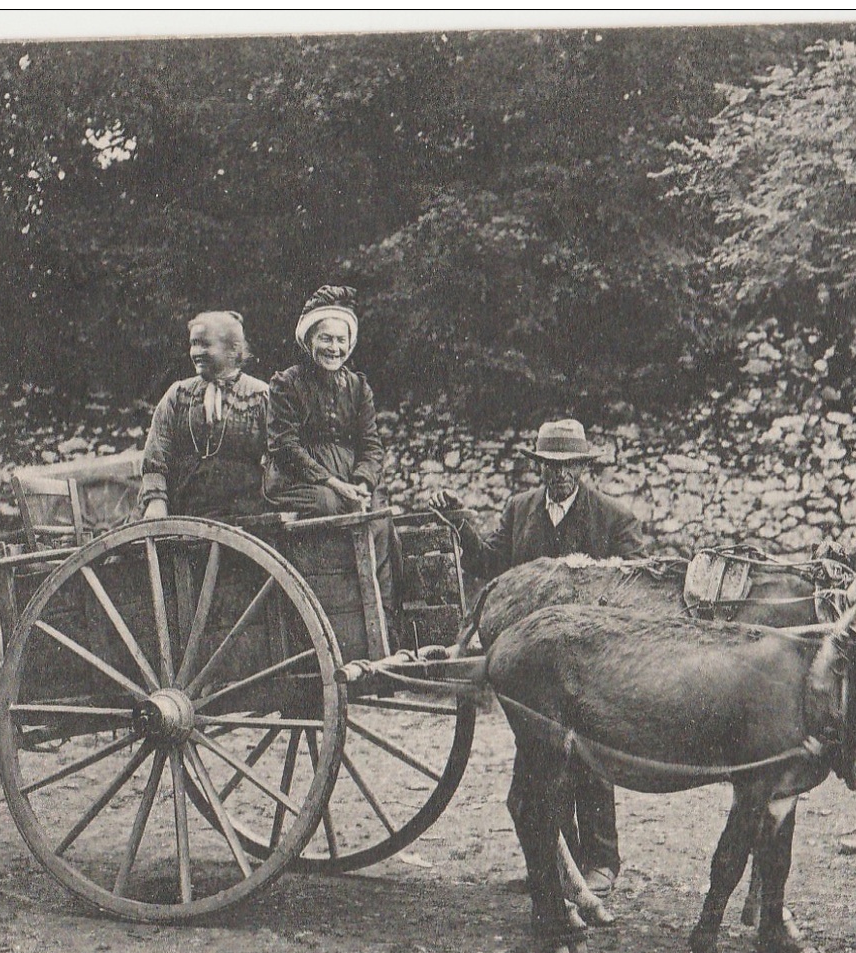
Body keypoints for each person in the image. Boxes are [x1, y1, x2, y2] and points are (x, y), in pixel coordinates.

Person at [429, 418, 644, 898]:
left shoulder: (613, 517)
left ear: (584, 468)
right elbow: (490, 564)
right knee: (541, 761)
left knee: (589, 756)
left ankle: (601, 861)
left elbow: (635, 585)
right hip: (534, 667)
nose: (560, 475)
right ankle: (551, 864)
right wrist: (462, 521)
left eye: (569, 466)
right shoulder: (521, 510)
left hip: (592, 662)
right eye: (551, 466)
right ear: (540, 468)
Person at [265, 285, 399, 615]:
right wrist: (333, 483)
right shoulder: (287, 384)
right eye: (326, 339)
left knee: (379, 519)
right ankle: (331, 612)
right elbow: (284, 446)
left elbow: (371, 445)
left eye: (341, 340)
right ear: (309, 339)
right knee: (327, 506)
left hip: (351, 483)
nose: (334, 348)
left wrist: (364, 485)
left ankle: (383, 616)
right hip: (300, 480)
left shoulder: (357, 387)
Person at [140, 310, 271, 519]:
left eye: (205, 344)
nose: (196, 352)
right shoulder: (178, 395)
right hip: (181, 509)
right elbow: (156, 454)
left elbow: (279, 456)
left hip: (241, 513)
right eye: (193, 344)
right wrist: (156, 501)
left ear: (232, 349)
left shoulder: (259, 396)